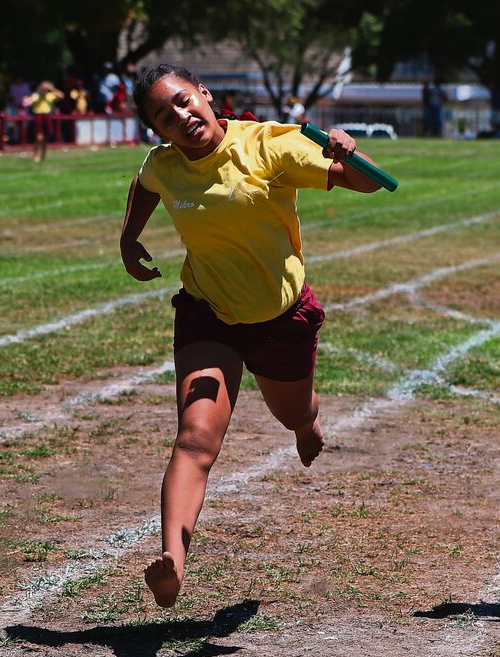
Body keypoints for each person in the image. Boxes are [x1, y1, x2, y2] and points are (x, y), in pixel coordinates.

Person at [119, 64, 385, 607]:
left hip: (278, 318)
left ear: (205, 95)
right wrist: (129, 238)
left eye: (185, 101)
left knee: (291, 412)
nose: (182, 117)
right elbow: (144, 184)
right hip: (206, 313)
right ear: (158, 131)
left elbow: (368, 182)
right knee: (195, 438)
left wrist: (347, 152)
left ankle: (307, 423)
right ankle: (173, 558)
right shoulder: (164, 165)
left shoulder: (269, 144)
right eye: (165, 117)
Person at [25, 80, 63, 163]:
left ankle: (43, 154)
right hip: (38, 116)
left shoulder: (50, 95)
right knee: (39, 137)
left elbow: (61, 96)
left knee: (45, 137)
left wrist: (52, 89)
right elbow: (27, 102)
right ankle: (36, 154)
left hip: (47, 116)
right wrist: (36, 94)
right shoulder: (36, 95)